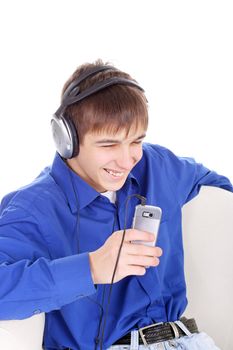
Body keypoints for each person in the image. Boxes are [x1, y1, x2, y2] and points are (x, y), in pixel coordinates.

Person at [0, 59, 232, 350]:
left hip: (191, 340)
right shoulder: (31, 209)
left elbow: (216, 185)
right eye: (109, 145)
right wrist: (92, 268)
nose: (127, 160)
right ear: (67, 139)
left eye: (135, 141)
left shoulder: (156, 166)